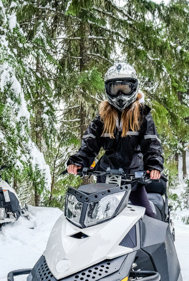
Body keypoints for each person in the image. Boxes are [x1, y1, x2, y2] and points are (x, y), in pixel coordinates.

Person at [66, 62, 163, 218]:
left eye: (124, 89)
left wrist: (154, 165)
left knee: (148, 218)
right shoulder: (102, 118)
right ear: (107, 90)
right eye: (115, 89)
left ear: (133, 88)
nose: (120, 94)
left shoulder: (142, 115)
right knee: (93, 218)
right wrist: (79, 162)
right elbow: (90, 144)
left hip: (133, 179)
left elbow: (151, 143)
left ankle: (160, 241)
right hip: (105, 179)